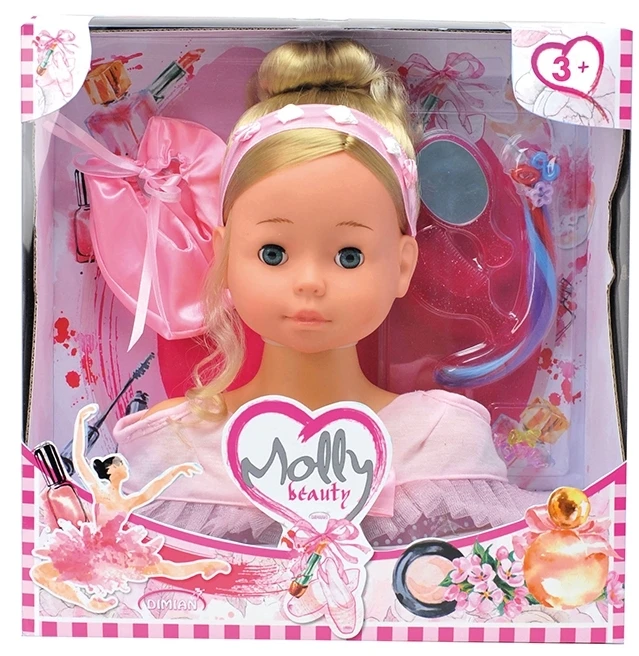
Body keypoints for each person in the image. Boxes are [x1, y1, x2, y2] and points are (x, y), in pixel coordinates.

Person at [112, 39, 545, 547]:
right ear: (224, 255)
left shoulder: (439, 442)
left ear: (403, 264)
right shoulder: (176, 447)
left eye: (349, 256)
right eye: (273, 253)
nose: (310, 282)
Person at [31, 404, 231, 613]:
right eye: (119, 464)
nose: (124, 466)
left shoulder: (127, 500)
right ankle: (87, 603)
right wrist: (81, 421)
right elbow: (79, 460)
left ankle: (206, 567)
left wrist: (177, 471)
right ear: (111, 471)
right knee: (40, 573)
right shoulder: (101, 491)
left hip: (117, 552)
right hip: (95, 549)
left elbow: (153, 489)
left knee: (164, 568)